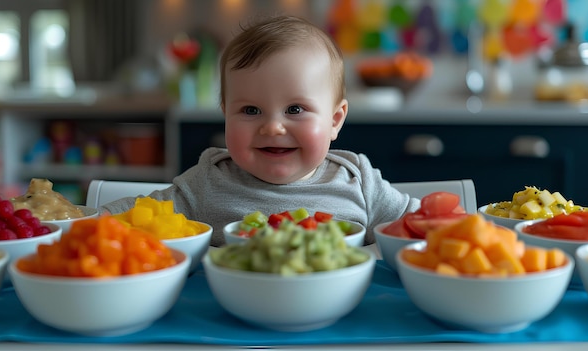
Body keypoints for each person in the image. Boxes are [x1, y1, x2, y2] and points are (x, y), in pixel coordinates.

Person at [101, 14, 420, 246]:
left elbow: (423, 221)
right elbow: (140, 212)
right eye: (251, 110)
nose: (272, 126)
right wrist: (83, 221)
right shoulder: (208, 181)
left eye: (295, 109)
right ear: (226, 115)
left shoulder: (358, 181)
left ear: (335, 120)